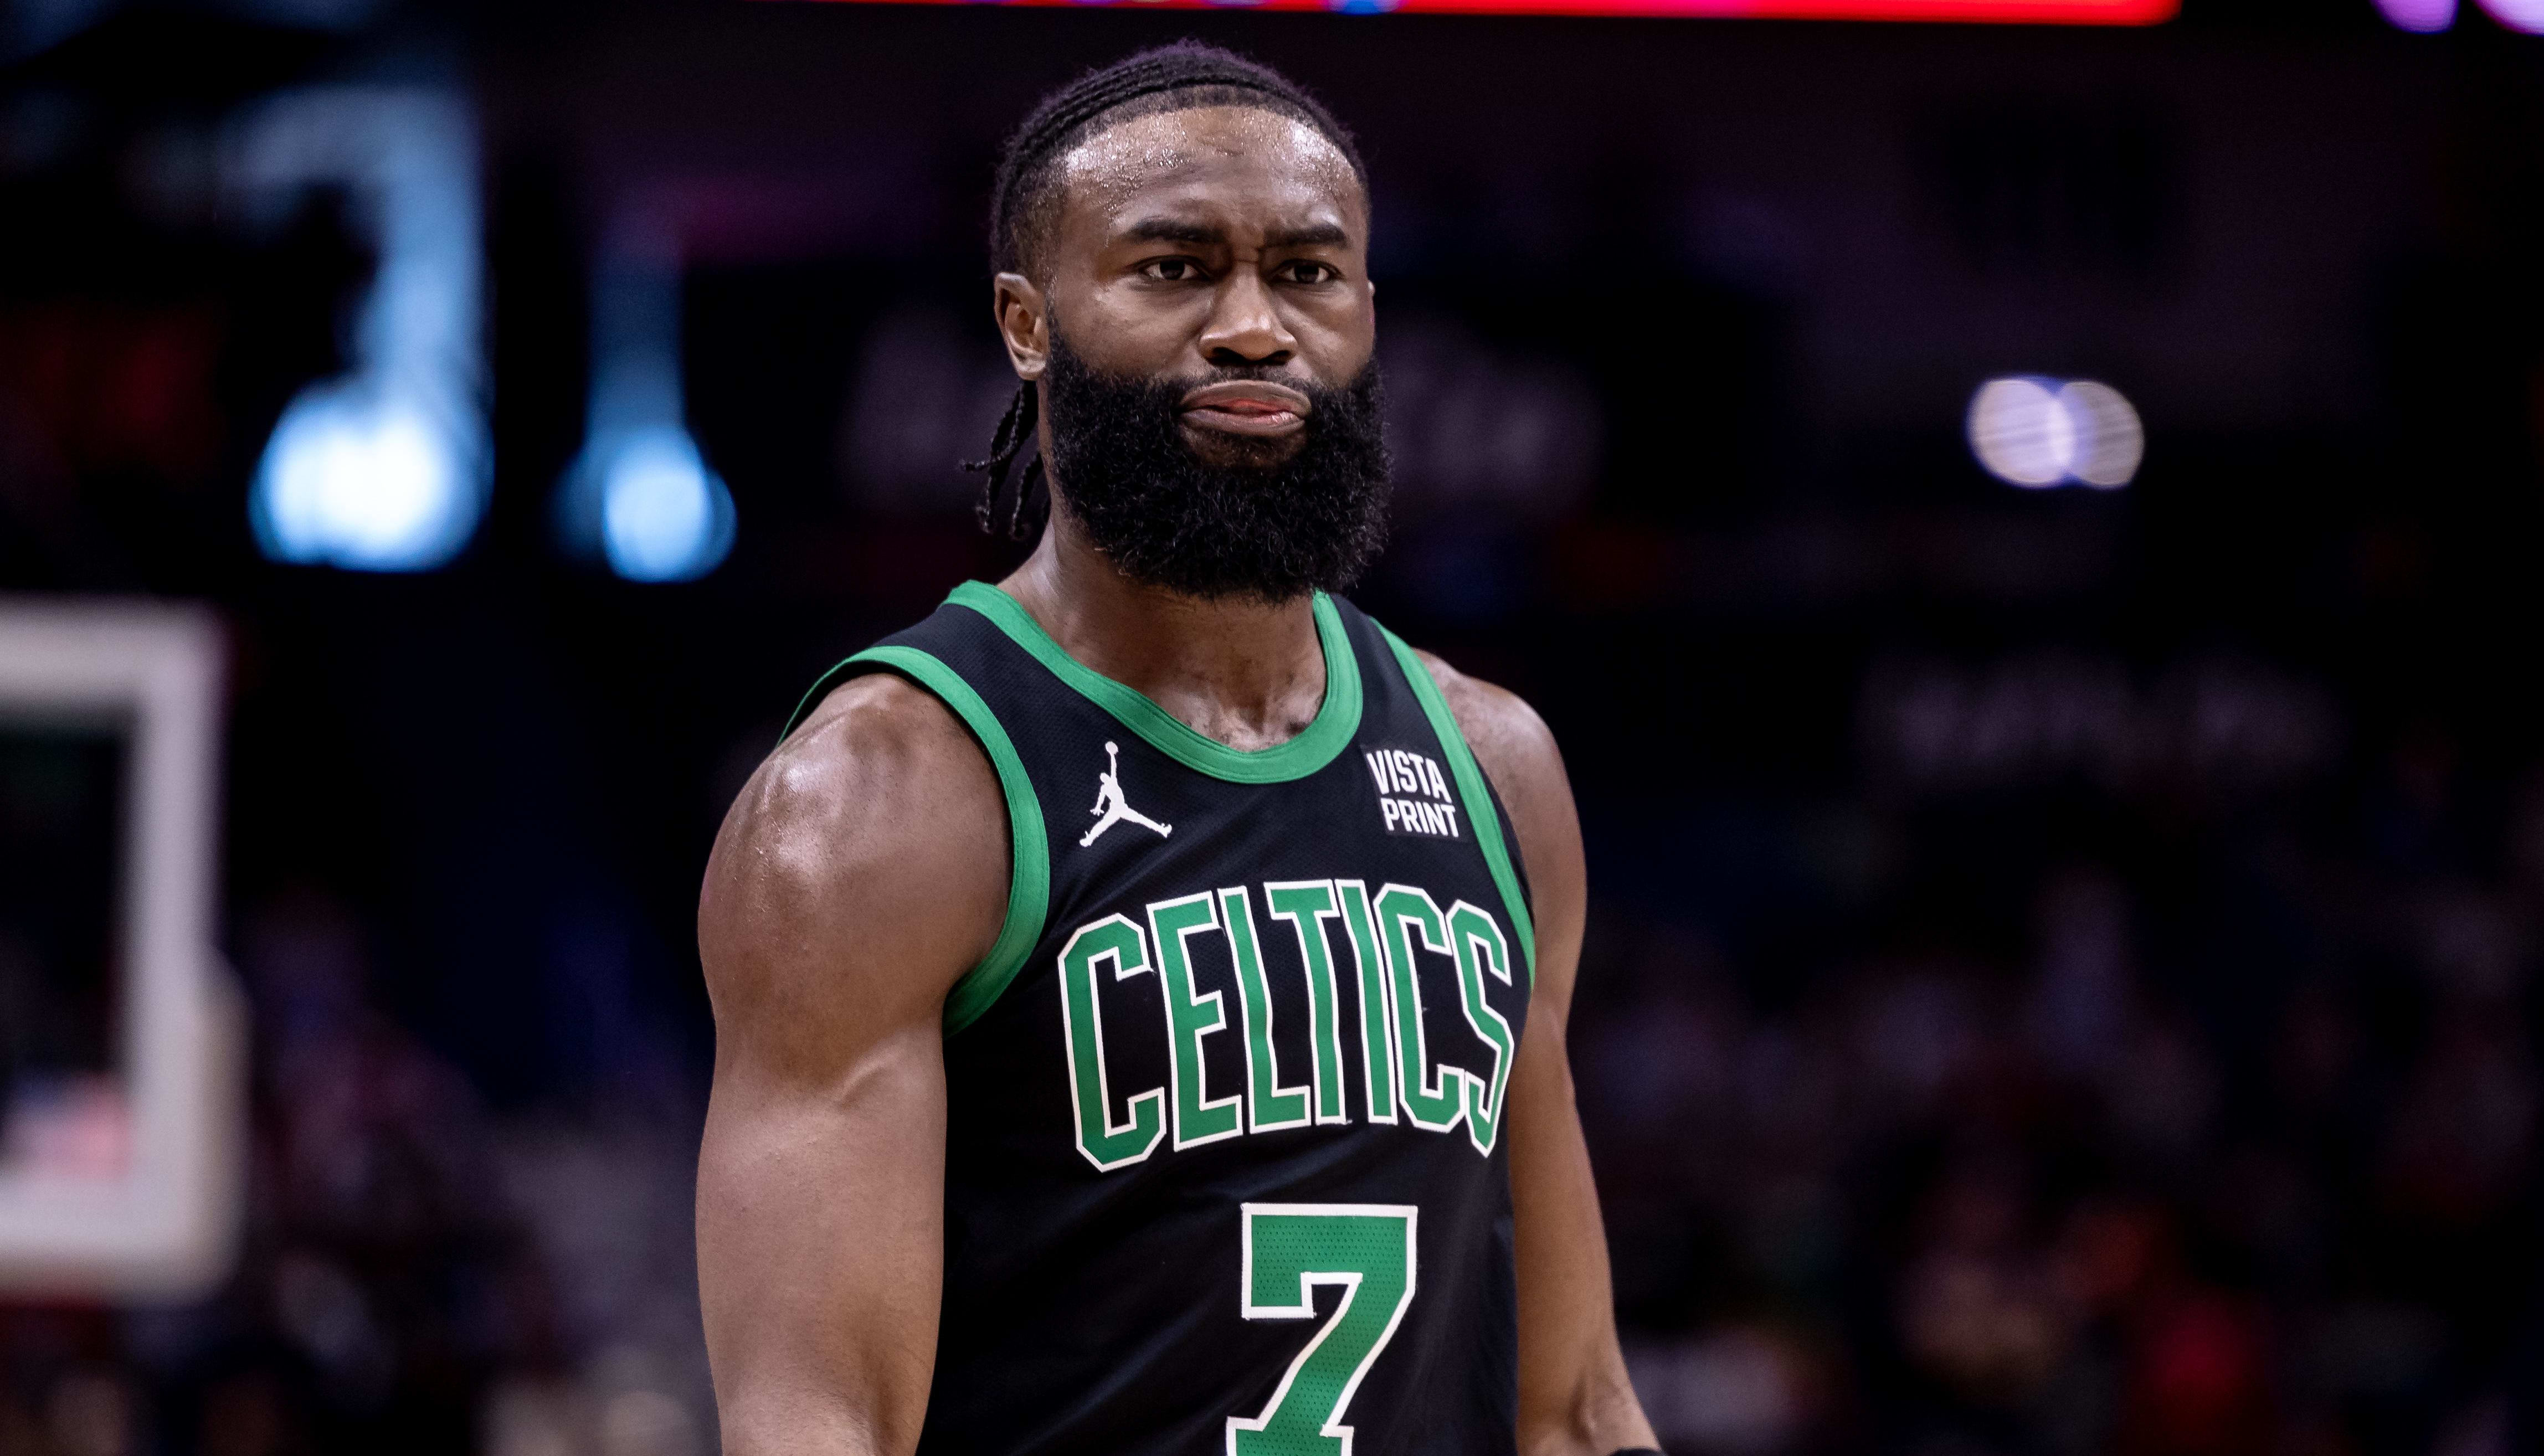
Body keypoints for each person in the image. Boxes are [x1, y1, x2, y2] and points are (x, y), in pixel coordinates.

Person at [696, 42, 1659, 1456]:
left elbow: (1572, 1407)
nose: (1254, 327)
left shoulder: (1493, 767)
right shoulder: (879, 802)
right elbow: (820, 1423)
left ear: (1368, 316)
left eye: (1308, 274)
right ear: (1028, 324)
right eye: (1174, 268)